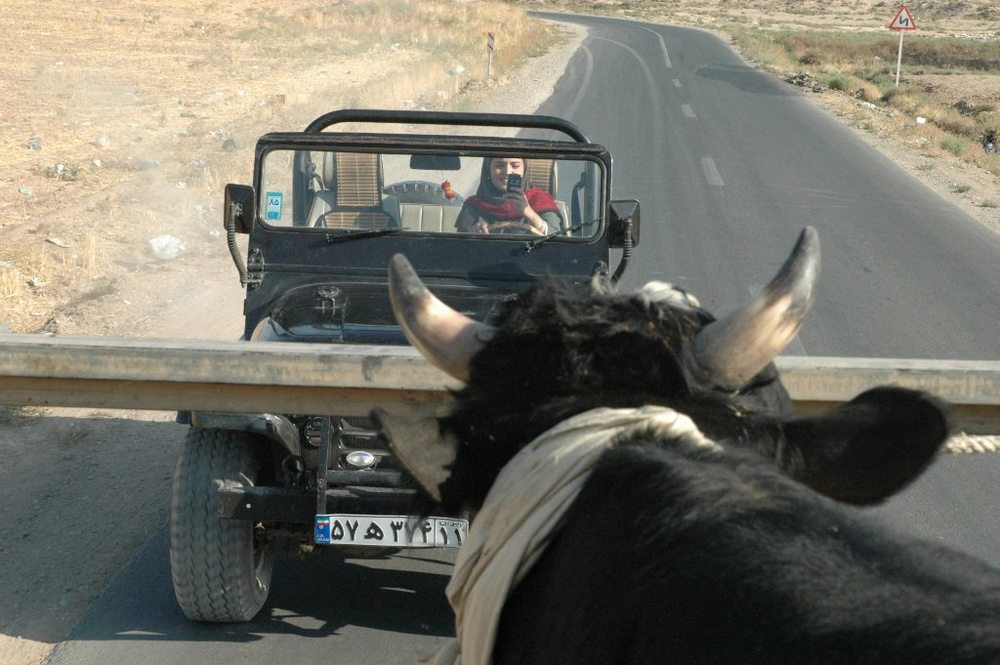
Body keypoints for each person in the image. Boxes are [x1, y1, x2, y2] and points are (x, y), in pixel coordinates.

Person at [454, 157, 563, 236]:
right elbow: (458, 249)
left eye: (515, 165)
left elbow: (558, 240)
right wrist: (473, 235)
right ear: (488, 170)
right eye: (499, 165)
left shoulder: (540, 200)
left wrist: (528, 212)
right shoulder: (474, 205)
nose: (507, 172)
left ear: (524, 169)